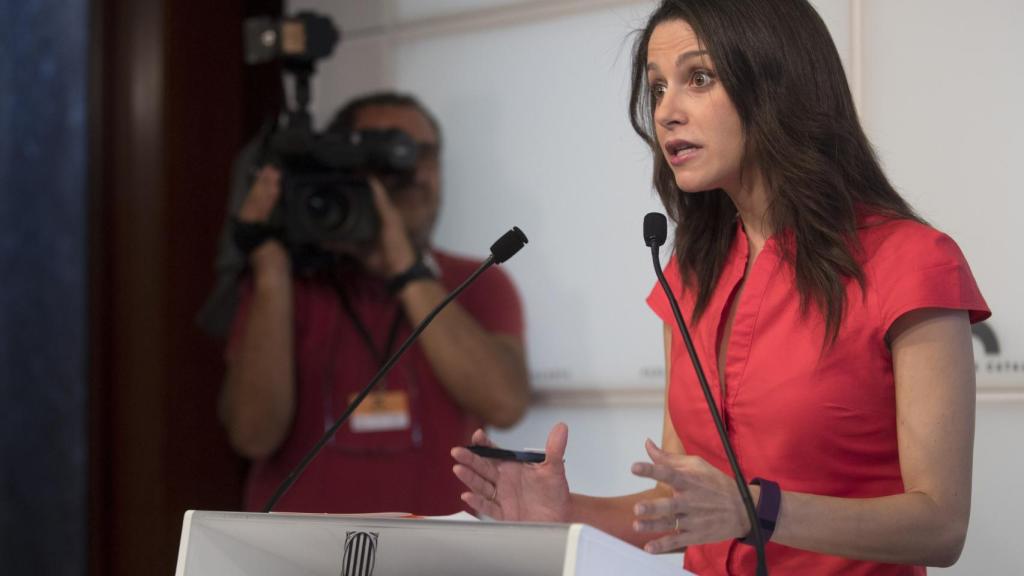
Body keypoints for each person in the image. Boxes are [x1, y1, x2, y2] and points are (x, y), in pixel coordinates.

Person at [450, 1, 988, 574]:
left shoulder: (910, 261)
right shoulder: (688, 275)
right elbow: (681, 510)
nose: (666, 113)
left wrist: (758, 509)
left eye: (698, 79)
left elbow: (940, 525)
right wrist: (563, 511)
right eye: (657, 89)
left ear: (777, 85)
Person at [222, 92, 531, 515]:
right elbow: (252, 434)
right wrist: (271, 272)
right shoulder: (291, 284)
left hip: (440, 558)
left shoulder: (475, 281)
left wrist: (405, 267)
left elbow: (505, 404)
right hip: (301, 556)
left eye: (425, 155)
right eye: (389, 157)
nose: (413, 174)